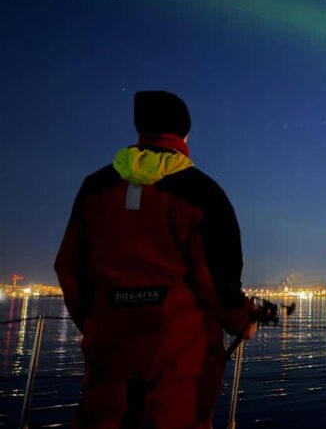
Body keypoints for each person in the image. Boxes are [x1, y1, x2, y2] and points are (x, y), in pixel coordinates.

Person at [55, 91, 257, 428]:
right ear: (185, 135)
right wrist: (241, 319)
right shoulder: (202, 193)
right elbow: (219, 281)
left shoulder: (95, 188)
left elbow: (68, 268)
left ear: (140, 129)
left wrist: (96, 322)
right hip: (179, 363)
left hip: (108, 355)